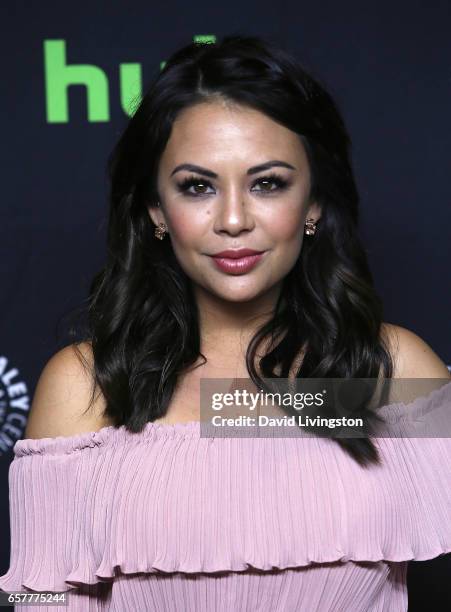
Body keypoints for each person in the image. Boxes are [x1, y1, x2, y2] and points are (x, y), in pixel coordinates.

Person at [0, 34, 450, 611]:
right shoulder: (85, 386)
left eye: (268, 183)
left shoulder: (393, 370)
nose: (233, 219)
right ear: (156, 210)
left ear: (313, 202)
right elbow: (44, 603)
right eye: (198, 187)